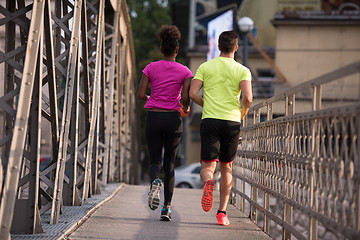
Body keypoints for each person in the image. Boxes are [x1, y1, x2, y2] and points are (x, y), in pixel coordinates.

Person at [189, 30, 253, 226]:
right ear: (236, 47)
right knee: (227, 167)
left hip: (210, 120)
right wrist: (242, 112)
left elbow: (192, 93)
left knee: (208, 166)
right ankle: (222, 213)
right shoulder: (243, 70)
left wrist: (206, 103)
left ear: (218, 47)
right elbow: (248, 98)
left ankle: (208, 181)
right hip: (232, 122)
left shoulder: (205, 67)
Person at [137, 25, 193, 221]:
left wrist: (153, 98)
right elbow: (185, 99)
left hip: (153, 116)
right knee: (170, 164)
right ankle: (166, 209)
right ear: (177, 50)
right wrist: (183, 106)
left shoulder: (150, 67)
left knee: (154, 161)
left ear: (161, 49)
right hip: (172, 119)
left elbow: (140, 94)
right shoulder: (185, 71)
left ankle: (154, 182)